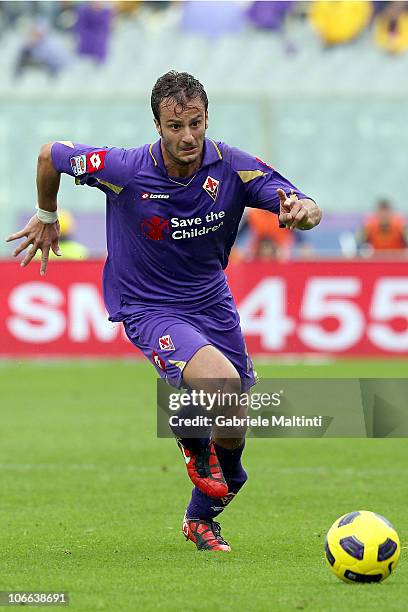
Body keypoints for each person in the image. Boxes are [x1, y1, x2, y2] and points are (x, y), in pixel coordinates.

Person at [6, 71, 321, 552]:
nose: (188, 135)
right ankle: (190, 436)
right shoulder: (125, 169)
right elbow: (51, 154)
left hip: (212, 302)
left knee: (233, 433)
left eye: (195, 123)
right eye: (176, 126)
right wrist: (47, 214)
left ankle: (201, 517)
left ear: (206, 117)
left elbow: (300, 201)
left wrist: (304, 211)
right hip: (149, 305)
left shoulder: (232, 166)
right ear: (157, 125)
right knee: (220, 385)